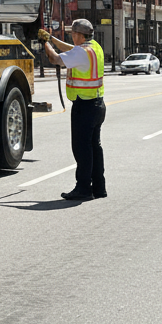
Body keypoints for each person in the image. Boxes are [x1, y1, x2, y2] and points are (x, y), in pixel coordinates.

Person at [39, 19, 106, 201]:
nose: (71, 37)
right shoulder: (94, 47)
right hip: (97, 104)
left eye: (72, 34)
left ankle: (83, 188)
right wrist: (52, 38)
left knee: (81, 149)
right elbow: (71, 49)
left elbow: (55, 59)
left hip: (84, 106)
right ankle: (99, 187)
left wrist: (44, 43)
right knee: (94, 147)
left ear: (79, 35)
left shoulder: (81, 52)